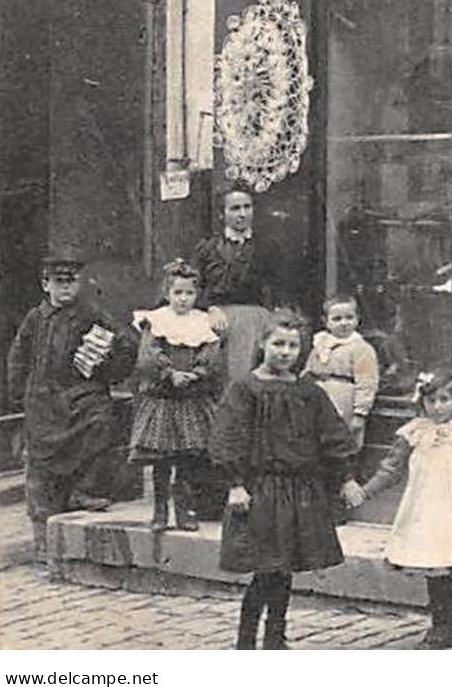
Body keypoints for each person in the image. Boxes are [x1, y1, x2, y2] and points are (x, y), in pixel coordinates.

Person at [209, 310, 363, 649]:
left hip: (299, 491)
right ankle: (246, 641)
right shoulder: (246, 388)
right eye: (278, 343)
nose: (285, 352)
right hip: (262, 490)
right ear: (262, 343)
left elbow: (332, 435)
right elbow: (228, 436)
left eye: (293, 346)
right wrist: (235, 484)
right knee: (267, 568)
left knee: (286, 567)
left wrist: (347, 478)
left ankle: (276, 637)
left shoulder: (308, 391)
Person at [352, 367, 452, 648]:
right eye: (432, 401)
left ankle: (445, 625)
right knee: (433, 565)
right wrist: (365, 492)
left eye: (444, 400)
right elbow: (391, 468)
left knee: (445, 562)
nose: (438, 407)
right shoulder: (414, 431)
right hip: (424, 509)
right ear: (422, 402)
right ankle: (442, 623)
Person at [6, 247, 138, 570]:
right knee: (40, 469)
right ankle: (43, 542)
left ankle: (85, 491)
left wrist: (106, 364)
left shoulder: (90, 314)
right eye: (59, 282)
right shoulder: (35, 319)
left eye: (72, 281)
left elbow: (125, 342)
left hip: (80, 395)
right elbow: (17, 357)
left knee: (101, 420)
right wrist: (18, 394)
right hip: (43, 399)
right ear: (45, 285)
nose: (66, 288)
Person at [129, 259, 223, 532]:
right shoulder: (156, 320)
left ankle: (185, 511)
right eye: (178, 293)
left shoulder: (202, 323)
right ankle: (160, 512)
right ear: (168, 293)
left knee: (187, 460)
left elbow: (212, 355)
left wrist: (197, 373)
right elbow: (148, 354)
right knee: (161, 461)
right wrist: (170, 373)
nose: (183, 299)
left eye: (189, 293)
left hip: (191, 399)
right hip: (164, 399)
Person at [193, 185, 280, 386]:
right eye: (234, 209)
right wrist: (210, 308)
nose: (242, 214)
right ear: (222, 214)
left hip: (256, 320)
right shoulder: (208, 247)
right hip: (216, 319)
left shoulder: (267, 247)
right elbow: (195, 285)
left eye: (247, 207)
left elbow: (276, 288)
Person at [304, 295, 379, 444]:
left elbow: (367, 382)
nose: (343, 323)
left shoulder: (361, 348)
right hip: (316, 397)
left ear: (357, 319)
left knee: (341, 438)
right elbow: (308, 370)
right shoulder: (320, 344)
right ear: (326, 322)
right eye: (337, 319)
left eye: (349, 317)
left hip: (343, 399)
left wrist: (360, 413)